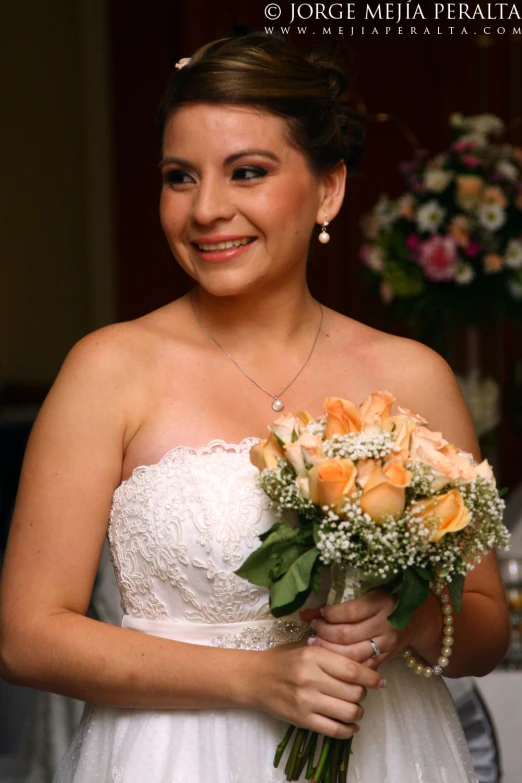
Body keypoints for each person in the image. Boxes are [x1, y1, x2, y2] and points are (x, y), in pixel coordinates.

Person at [0, 32, 510, 783]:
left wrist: (408, 617)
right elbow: (27, 636)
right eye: (180, 177)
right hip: (174, 759)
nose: (207, 209)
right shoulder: (108, 369)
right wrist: (257, 677)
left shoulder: (412, 375)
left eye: (247, 172)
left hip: (385, 748)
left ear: (328, 188)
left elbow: (487, 624)